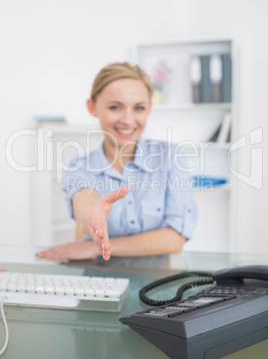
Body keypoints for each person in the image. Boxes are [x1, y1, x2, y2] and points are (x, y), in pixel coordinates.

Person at [36, 62, 197, 261]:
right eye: (115, 107)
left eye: (139, 108)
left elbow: (174, 240)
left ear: (149, 108)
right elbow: (84, 202)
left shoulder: (171, 156)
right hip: (99, 284)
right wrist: (92, 217)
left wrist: (94, 247)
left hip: (156, 286)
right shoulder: (80, 166)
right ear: (92, 107)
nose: (128, 120)